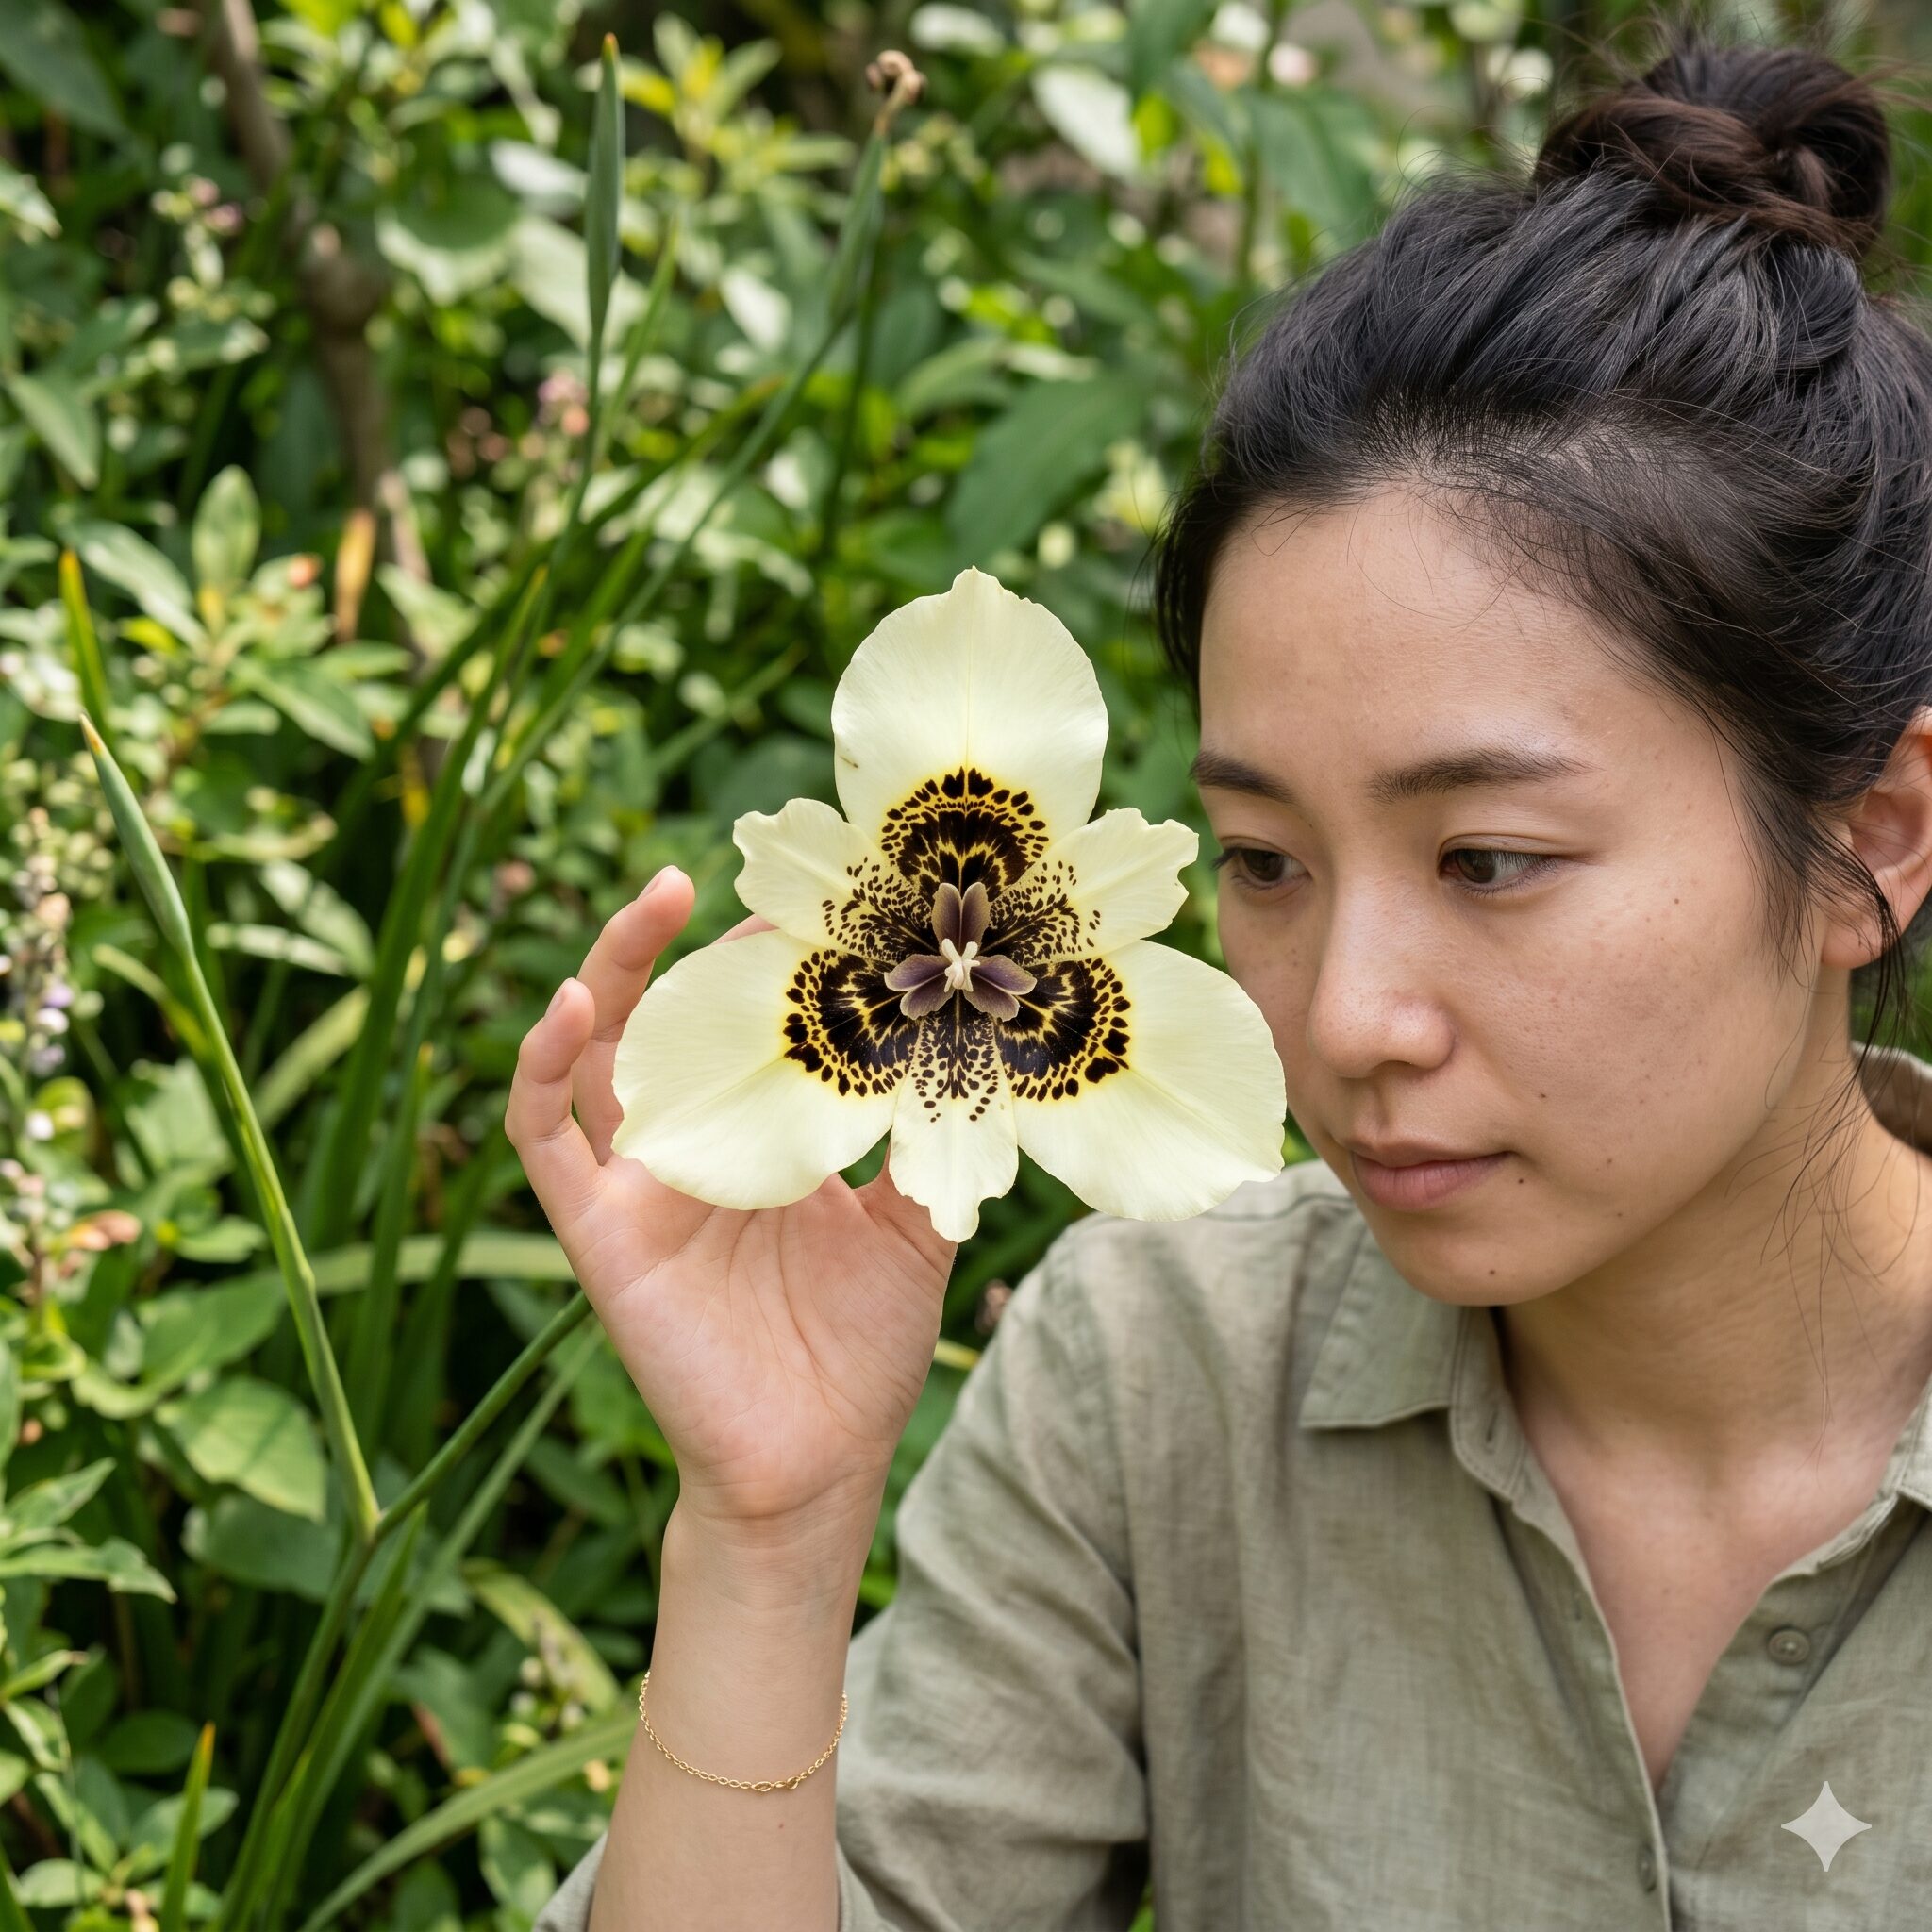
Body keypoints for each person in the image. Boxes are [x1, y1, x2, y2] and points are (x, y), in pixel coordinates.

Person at [517, 22, 1932, 1929]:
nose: (1342, 1019)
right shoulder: (1160, 1376)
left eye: (1488, 861)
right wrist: (764, 1538)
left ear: (1875, 837)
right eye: (1261, 862)